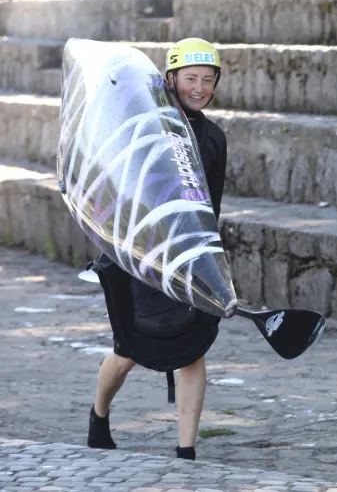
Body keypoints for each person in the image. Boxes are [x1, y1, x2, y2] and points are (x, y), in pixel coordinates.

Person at [86, 38, 228, 461]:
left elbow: (209, 207)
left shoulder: (214, 138)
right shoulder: (142, 125)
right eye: (190, 79)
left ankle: (186, 450)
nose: (199, 88)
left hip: (187, 257)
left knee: (192, 351)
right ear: (170, 80)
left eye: (207, 80)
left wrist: (205, 259)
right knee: (128, 352)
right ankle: (99, 413)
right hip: (137, 254)